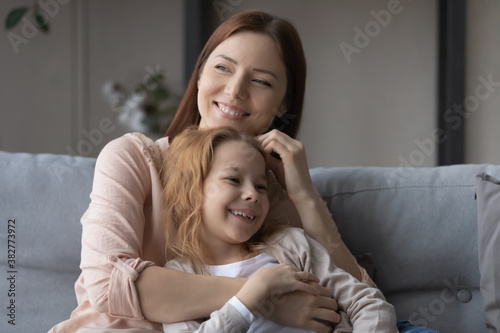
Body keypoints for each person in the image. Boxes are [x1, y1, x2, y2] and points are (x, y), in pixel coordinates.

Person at [49, 10, 437, 333]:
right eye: (222, 68)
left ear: (284, 104)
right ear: (199, 76)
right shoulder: (133, 158)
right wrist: (263, 298)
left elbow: (353, 295)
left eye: (261, 81)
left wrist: (304, 197)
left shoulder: (268, 197)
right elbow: (108, 285)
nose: (235, 91)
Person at [160, 126, 398, 332]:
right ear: (190, 191)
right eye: (233, 179)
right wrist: (252, 295)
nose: (252, 194)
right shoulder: (180, 277)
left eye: (260, 186)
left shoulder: (289, 245)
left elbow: (369, 303)